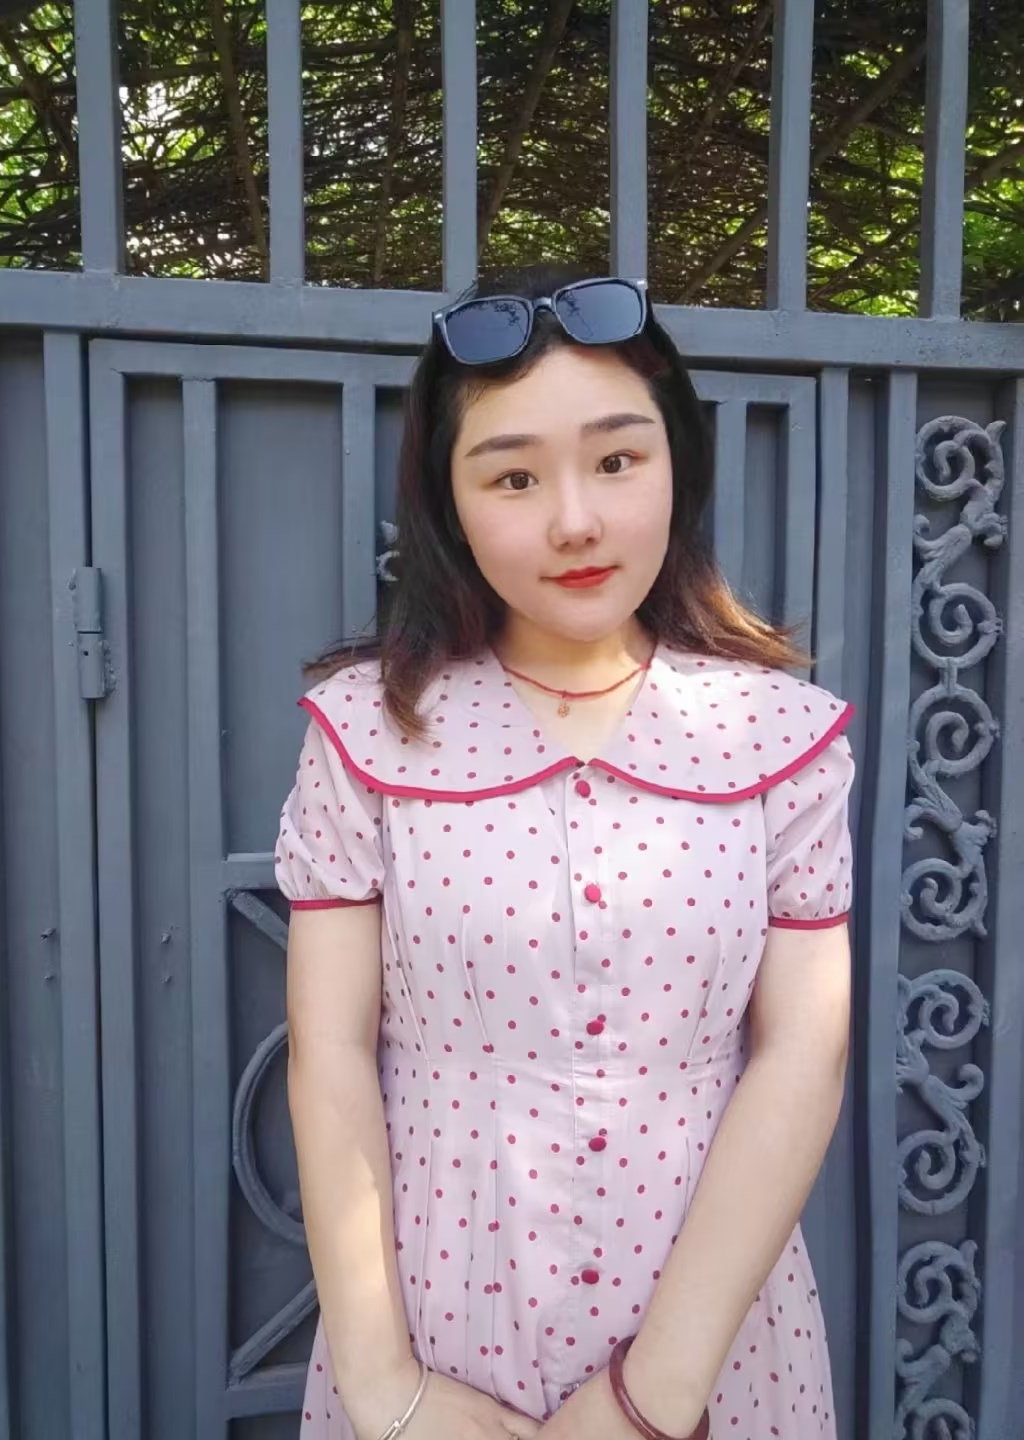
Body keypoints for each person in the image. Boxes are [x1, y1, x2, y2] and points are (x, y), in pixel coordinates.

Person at [275, 264, 855, 1440]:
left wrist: (658, 1394)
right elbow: (328, 1053)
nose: (575, 520)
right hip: (440, 1329)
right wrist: (384, 1384)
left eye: (617, 459)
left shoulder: (780, 739)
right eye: (514, 476)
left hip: (715, 1342)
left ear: (677, 462)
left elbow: (805, 1052)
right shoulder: (366, 734)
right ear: (448, 502)